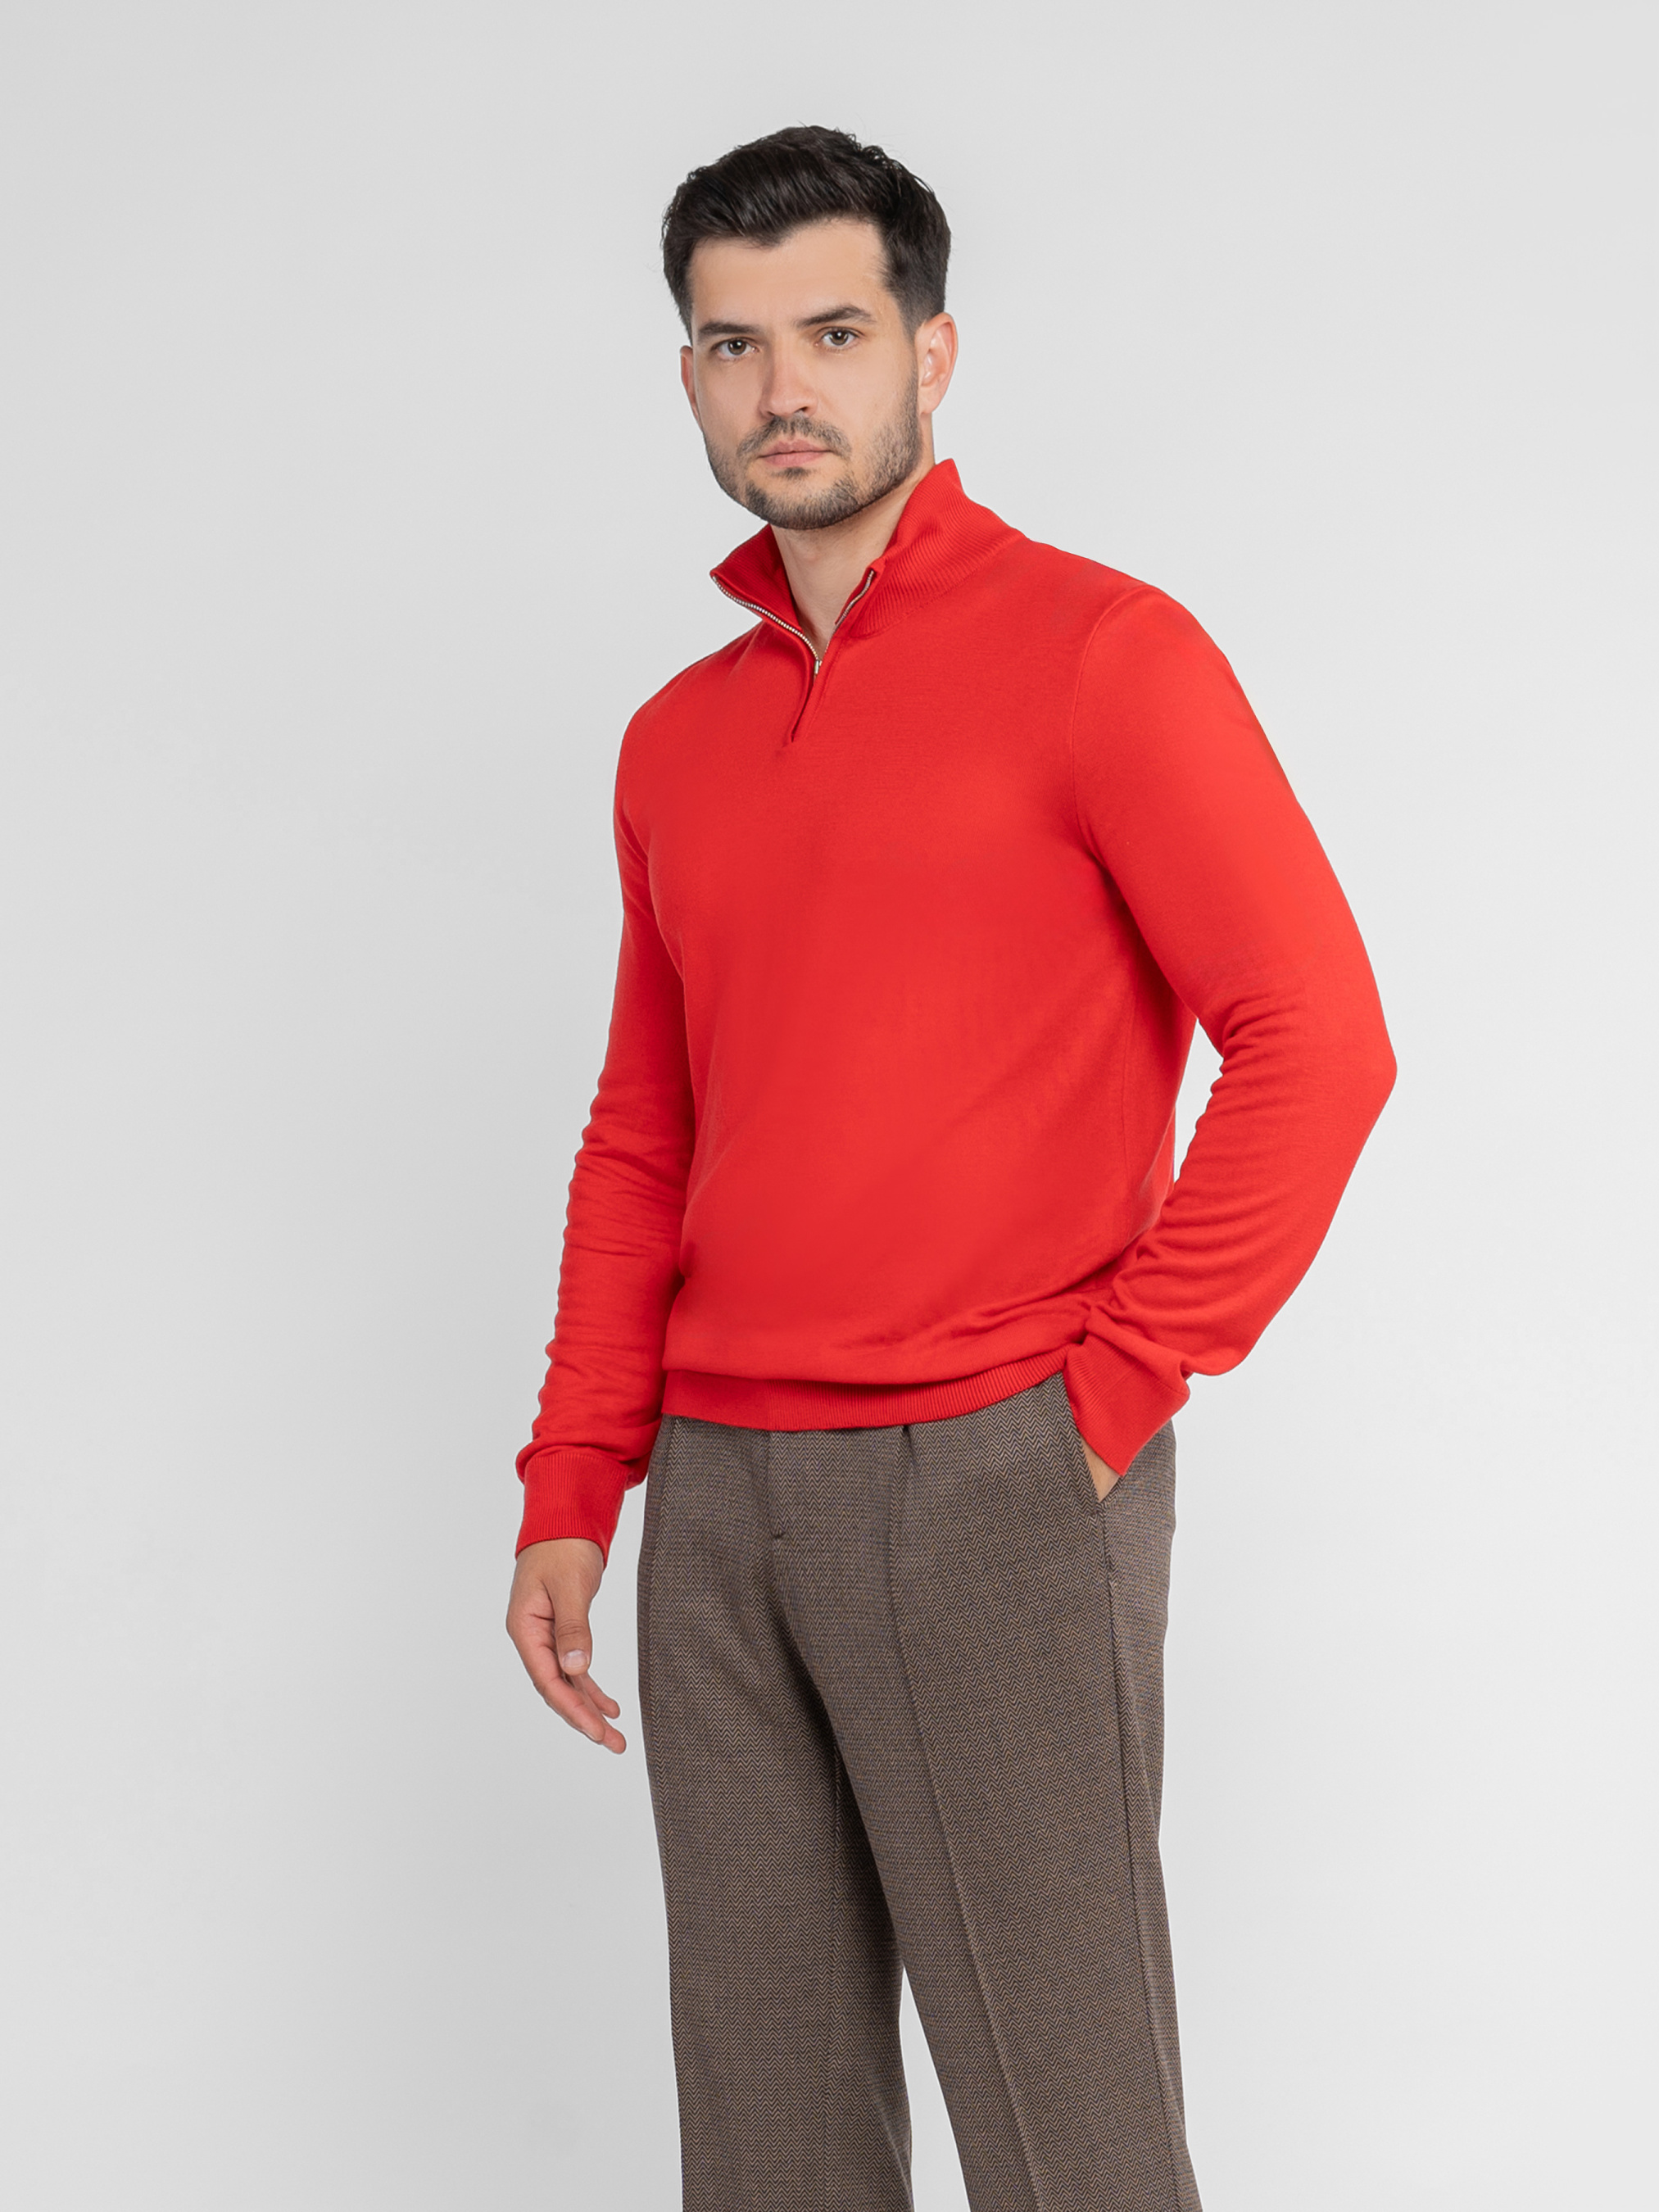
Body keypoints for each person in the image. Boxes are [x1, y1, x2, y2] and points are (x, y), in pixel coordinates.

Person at [505, 123, 1394, 2212]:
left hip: (988, 1472)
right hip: (718, 1500)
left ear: (931, 351)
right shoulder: (675, 742)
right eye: (731, 346)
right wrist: (574, 1483)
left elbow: (1316, 1043)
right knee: (767, 2147)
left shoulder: (1100, 654)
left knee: (1070, 2142)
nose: (781, 389)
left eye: (831, 334)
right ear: (688, 374)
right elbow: (645, 1133)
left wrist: (1101, 1398)